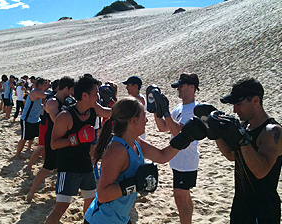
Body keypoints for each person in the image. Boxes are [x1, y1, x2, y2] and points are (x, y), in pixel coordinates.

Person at [84, 97, 208, 224]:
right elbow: (103, 195)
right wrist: (135, 184)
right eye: (144, 116)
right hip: (101, 220)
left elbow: (162, 156)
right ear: (133, 120)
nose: (147, 120)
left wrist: (185, 137)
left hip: (120, 218)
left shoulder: (135, 142)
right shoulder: (117, 150)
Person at [206, 78, 282, 224]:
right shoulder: (244, 126)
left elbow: (260, 171)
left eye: (239, 104)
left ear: (255, 100)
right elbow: (231, 155)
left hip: (262, 211)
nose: (234, 110)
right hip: (240, 206)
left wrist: (242, 139)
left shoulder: (272, 132)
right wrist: (215, 133)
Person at [45, 75, 113, 224]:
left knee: (91, 205)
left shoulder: (94, 109)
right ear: (84, 95)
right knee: (60, 209)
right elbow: (53, 144)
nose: (98, 97)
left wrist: (120, 106)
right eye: (96, 94)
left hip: (86, 166)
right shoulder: (65, 116)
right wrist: (76, 138)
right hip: (68, 168)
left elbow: (109, 113)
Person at [151, 73, 200, 224]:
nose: (178, 88)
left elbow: (179, 131)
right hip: (178, 160)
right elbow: (163, 127)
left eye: (181, 86)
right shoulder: (179, 108)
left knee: (180, 198)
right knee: (184, 197)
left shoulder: (196, 109)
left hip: (186, 160)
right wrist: (157, 110)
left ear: (192, 87)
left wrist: (165, 112)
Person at [26, 77, 75, 202]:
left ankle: (61, 194)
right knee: (48, 166)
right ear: (66, 88)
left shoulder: (68, 100)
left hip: (65, 138)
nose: (72, 92)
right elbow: (57, 121)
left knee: (64, 167)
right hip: (54, 138)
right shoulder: (52, 101)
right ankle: (31, 192)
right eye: (71, 89)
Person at [16, 77, 48, 158]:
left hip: (35, 119)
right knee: (24, 138)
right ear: (40, 85)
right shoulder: (35, 92)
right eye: (45, 85)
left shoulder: (38, 92)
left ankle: (29, 148)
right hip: (27, 119)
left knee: (33, 136)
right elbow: (46, 96)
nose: (46, 86)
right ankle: (17, 154)